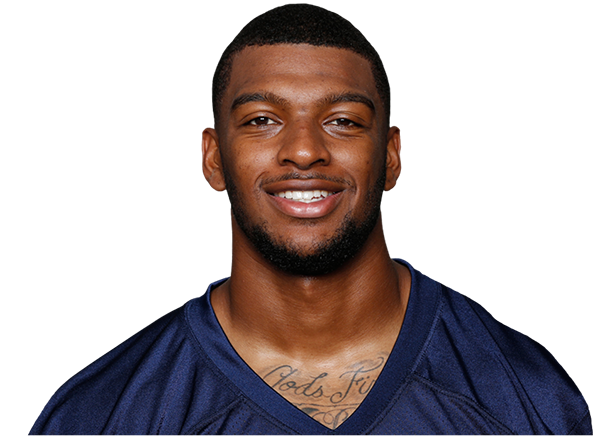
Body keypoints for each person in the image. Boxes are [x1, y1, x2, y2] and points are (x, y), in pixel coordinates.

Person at [30, 5, 591, 435]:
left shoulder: (532, 403)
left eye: (343, 120)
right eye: (262, 120)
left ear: (390, 156)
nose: (303, 150)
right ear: (213, 158)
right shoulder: (102, 415)